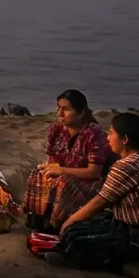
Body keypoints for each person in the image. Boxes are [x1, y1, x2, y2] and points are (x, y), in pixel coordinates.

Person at [47, 113, 139, 277]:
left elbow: (99, 202)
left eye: (111, 133)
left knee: (73, 236)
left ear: (125, 140)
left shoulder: (125, 167)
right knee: (91, 223)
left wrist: (67, 225)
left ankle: (131, 264)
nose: (108, 138)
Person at [22, 89, 112, 232]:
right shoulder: (56, 129)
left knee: (64, 183)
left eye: (66, 109)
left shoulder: (93, 134)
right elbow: (52, 159)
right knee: (37, 174)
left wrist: (62, 171)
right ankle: (39, 219)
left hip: (91, 181)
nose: (60, 114)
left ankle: (59, 224)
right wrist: (50, 168)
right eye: (59, 108)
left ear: (81, 113)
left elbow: (94, 173)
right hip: (65, 173)